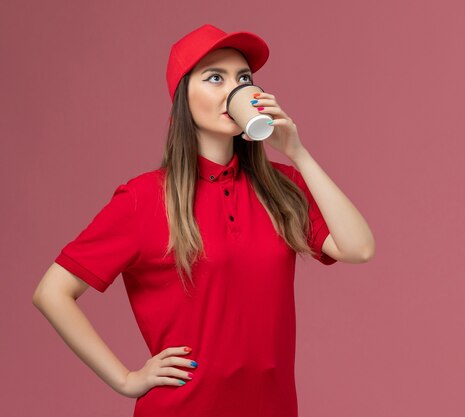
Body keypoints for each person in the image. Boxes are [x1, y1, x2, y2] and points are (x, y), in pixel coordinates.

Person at [32, 23, 375, 417]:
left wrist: (298, 152)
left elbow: (359, 248)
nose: (236, 90)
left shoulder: (283, 188)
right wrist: (126, 379)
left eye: (243, 78)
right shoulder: (144, 199)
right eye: (215, 77)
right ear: (183, 97)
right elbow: (52, 292)